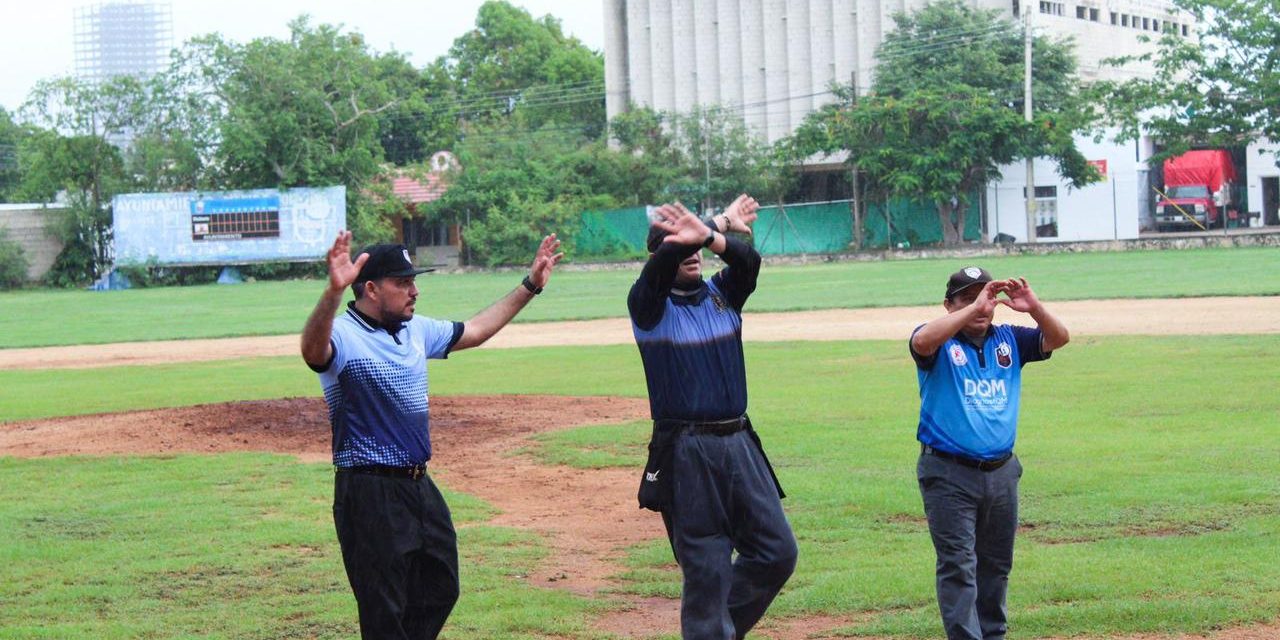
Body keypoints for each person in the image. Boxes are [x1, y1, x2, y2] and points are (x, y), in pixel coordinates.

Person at [300, 231, 562, 639]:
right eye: (403, 283)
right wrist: (333, 293)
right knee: (383, 607)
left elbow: (474, 330)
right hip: (368, 492)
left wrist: (531, 285)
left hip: (420, 487)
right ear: (370, 289)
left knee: (441, 586)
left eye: (413, 281)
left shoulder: (414, 330)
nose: (414, 291)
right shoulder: (342, 336)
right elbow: (313, 351)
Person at [629, 196, 798, 640]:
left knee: (777, 552)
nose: (693, 254)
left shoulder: (724, 293)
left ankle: (716, 630)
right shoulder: (649, 307)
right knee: (706, 572)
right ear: (662, 255)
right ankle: (711, 629)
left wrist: (713, 233)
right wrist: (710, 224)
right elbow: (661, 263)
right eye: (680, 247)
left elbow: (749, 260)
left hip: (740, 443)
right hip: (687, 452)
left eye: (697, 246)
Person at [908, 267, 1070, 640]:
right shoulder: (939, 343)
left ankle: (993, 634)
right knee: (959, 567)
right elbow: (921, 341)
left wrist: (1034, 308)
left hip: (1001, 473)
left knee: (995, 566)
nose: (981, 307)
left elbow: (1059, 338)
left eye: (986, 298)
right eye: (967, 299)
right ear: (948, 305)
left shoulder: (1009, 339)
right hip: (948, 473)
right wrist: (972, 309)